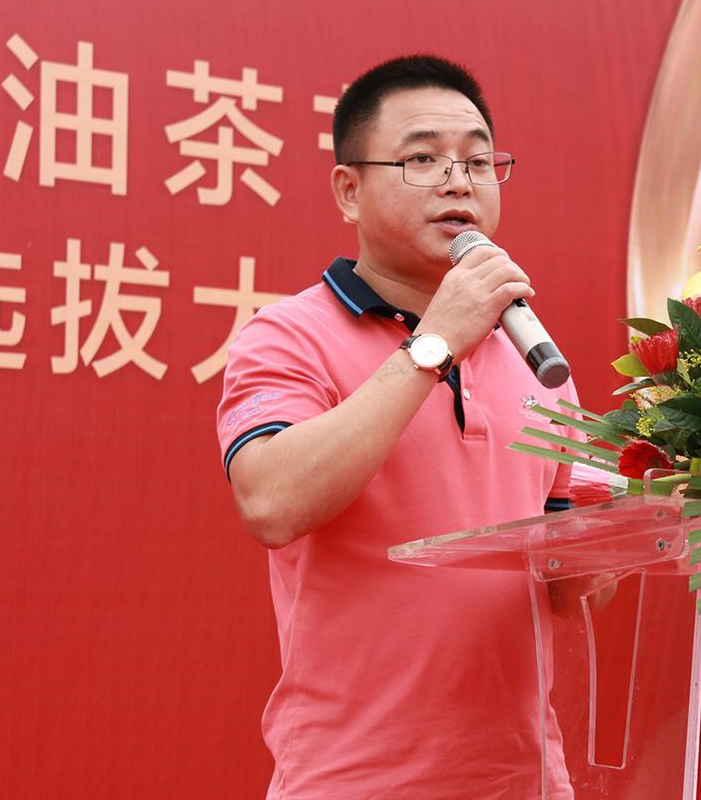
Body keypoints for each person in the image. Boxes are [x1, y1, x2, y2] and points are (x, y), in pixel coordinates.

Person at [216, 55, 576, 799]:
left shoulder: (538, 360)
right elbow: (270, 502)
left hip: (528, 781)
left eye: (478, 161)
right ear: (348, 190)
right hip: (355, 782)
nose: (458, 181)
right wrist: (434, 343)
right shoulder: (287, 336)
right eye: (422, 159)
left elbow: (571, 585)